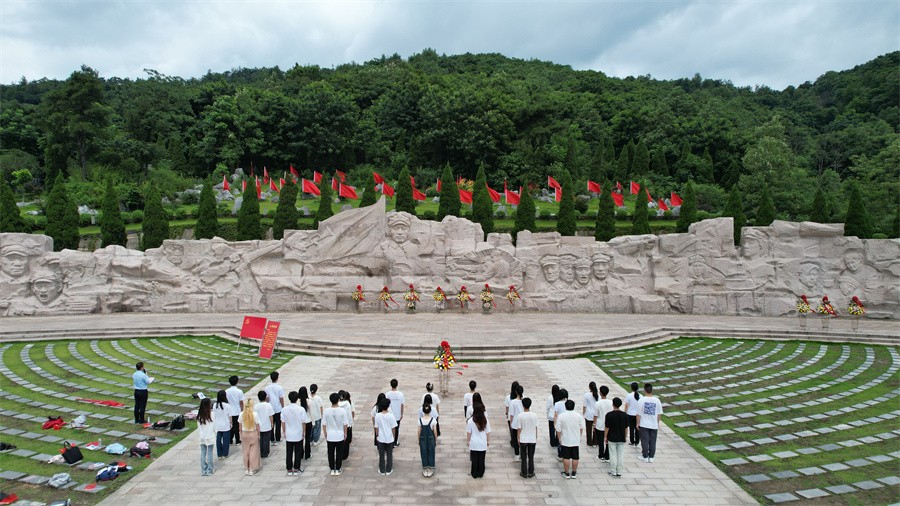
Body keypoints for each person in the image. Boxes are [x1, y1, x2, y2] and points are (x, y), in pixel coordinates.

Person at [281, 391, 310, 476]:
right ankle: (297, 468)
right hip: (298, 433)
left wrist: (284, 431)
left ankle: (289, 469)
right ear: (297, 399)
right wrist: (303, 432)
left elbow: (283, 422)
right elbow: (303, 422)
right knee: (298, 452)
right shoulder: (301, 409)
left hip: (289, 433)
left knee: (289, 452)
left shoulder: (284, 409)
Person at [323, 392, 350, 475]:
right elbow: (345, 424)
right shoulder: (342, 411)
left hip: (330, 435)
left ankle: (332, 468)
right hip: (339, 435)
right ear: (338, 400)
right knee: (339, 453)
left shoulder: (326, 411)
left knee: (330, 453)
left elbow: (324, 424)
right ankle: (338, 468)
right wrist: (345, 433)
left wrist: (325, 433)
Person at [636, 383, 663, 463]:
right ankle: (651, 456)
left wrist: (637, 423)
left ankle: (645, 456)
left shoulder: (641, 400)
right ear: (652, 390)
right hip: (653, 424)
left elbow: (638, 414)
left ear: (645, 390)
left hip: (644, 424)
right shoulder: (657, 400)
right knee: (652, 441)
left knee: (644, 441)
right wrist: (657, 423)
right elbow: (659, 414)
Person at [513, 397, 539, 478]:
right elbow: (535, 427)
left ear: (523, 405)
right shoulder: (534, 415)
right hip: (532, 438)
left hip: (523, 438)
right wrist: (536, 436)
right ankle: (531, 471)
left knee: (523, 457)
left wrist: (518, 437)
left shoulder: (520, 416)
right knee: (531, 456)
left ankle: (524, 472)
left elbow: (519, 429)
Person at [556, 399, 582, 479]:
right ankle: (574, 472)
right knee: (575, 457)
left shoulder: (561, 416)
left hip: (565, 439)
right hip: (575, 439)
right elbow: (581, 427)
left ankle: (567, 473)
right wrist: (579, 436)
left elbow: (558, 429)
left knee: (566, 457)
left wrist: (559, 438)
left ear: (565, 406)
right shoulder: (578, 415)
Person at [604, 397, 628, 477]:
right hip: (621, 437)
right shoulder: (624, 415)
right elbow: (626, 428)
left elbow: (607, 427)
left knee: (613, 455)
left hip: (612, 437)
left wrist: (605, 436)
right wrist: (625, 436)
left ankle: (613, 471)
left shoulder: (609, 415)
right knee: (620, 455)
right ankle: (619, 471)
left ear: (613, 404)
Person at [467, 403, 491, 479]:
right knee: (481, 459)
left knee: (474, 459)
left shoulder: (470, 421)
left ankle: (474, 473)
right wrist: (488, 441)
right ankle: (480, 473)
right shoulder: (485, 420)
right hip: (482, 442)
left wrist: (468, 441)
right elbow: (488, 432)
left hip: (474, 442)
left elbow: (469, 433)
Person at [375, 397, 398, 475]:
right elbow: (393, 428)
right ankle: (389, 469)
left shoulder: (378, 416)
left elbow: (376, 427)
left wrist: (377, 435)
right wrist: (393, 437)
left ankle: (382, 469)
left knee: (381, 454)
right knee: (389, 454)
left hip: (381, 437)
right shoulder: (391, 416)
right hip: (389, 438)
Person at [238, 399, 261, 475]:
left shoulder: (241, 414)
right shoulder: (255, 414)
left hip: (244, 433)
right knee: (253, 451)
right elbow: (257, 425)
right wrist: (258, 434)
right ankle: (251, 468)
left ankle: (246, 468)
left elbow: (240, 426)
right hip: (253, 432)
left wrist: (241, 434)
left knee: (245, 451)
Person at [264, 372, 286, 444]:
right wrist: (282, 406)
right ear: (277, 378)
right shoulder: (279, 387)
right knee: (278, 424)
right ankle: (278, 438)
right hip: (278, 407)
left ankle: (272, 438)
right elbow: (281, 398)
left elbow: (267, 398)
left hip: (270, 407)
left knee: (271, 423)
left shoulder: (267, 388)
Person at [418, 402, 437, 477]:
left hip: (422, 438)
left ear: (423, 410)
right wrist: (435, 439)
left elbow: (419, 431)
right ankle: (430, 469)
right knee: (431, 452)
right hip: (431, 438)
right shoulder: (433, 420)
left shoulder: (420, 420)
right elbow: (435, 431)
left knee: (423, 452)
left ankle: (425, 468)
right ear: (430, 410)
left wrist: (418, 440)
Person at [593, 385, 613, 461]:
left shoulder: (598, 403)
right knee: (608, 441)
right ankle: (607, 456)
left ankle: (601, 455)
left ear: (600, 393)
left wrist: (594, 424)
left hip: (600, 424)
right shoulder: (611, 402)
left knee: (600, 441)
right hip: (609, 424)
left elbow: (595, 415)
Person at [197, 398, 215, 476]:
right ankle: (210, 470)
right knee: (210, 453)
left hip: (202, 437)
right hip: (210, 436)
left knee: (203, 453)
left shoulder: (199, 415)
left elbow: (199, 427)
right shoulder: (212, 414)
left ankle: (204, 470)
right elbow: (214, 426)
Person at [254, 391, 275, 459]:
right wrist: (272, 423)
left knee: (260, 439)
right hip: (267, 425)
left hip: (259, 425)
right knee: (266, 440)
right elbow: (271, 416)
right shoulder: (268, 405)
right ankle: (265, 453)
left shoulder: (256, 406)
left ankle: (260, 452)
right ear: (265, 397)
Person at [225, 375, 245, 445]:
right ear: (237, 382)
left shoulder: (227, 391)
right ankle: (237, 440)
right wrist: (242, 410)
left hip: (229, 411)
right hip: (237, 411)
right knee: (237, 426)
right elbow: (241, 402)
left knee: (231, 426)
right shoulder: (239, 391)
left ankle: (230, 440)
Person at [385, 379, 405, 447]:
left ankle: (390, 441)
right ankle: (395, 442)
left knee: (389, 428)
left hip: (389, 414)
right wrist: (401, 414)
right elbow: (402, 405)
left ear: (391, 385)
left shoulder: (387, 394)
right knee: (396, 428)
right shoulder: (400, 394)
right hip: (397, 414)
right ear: (397, 385)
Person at [212, 390, 231, 459]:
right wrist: (231, 423)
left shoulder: (215, 405)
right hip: (226, 425)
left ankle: (219, 454)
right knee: (226, 440)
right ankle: (225, 453)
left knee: (218, 440)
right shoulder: (227, 406)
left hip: (218, 425)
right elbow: (230, 416)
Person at [507, 384, 524, 460]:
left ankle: (517, 455)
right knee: (522, 438)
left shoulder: (513, 402)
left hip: (515, 422)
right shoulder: (524, 400)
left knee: (515, 438)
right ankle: (523, 454)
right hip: (523, 422)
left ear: (516, 392)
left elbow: (512, 414)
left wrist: (511, 422)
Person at [338, 390, 356, 460]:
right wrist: (350, 423)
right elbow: (349, 415)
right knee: (346, 440)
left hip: (339, 425)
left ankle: (339, 453)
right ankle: (345, 454)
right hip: (347, 425)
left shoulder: (337, 404)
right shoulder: (348, 404)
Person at [552, 388, 569, 460]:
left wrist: (555, 424)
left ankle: (560, 454)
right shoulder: (568, 403)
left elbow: (555, 415)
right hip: (567, 422)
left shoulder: (557, 404)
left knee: (559, 438)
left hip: (559, 422)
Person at [623, 382, 641, 447]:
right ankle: (637, 441)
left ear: (631, 388)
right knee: (637, 428)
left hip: (630, 414)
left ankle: (632, 441)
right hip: (638, 415)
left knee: (631, 428)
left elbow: (626, 405)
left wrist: (625, 413)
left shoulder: (629, 395)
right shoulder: (640, 396)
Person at [298, 387, 313, 459]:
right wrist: (313, 422)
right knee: (307, 438)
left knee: (301, 438)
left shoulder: (298, 402)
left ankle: (300, 453)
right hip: (308, 421)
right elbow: (311, 412)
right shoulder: (309, 401)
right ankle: (307, 454)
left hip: (300, 422)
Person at [583, 382, 599, 447]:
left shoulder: (586, 395)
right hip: (596, 414)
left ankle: (589, 442)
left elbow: (584, 405)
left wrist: (583, 413)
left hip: (588, 414)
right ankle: (595, 442)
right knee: (595, 428)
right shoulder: (598, 395)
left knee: (588, 429)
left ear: (589, 387)